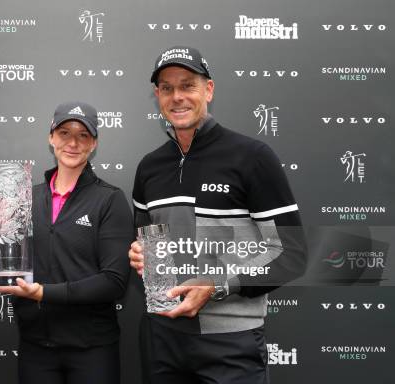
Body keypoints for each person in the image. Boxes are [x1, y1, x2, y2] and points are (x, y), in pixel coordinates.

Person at [128, 46, 307, 383]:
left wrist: (216, 286)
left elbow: (292, 255)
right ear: (157, 96)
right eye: (167, 88)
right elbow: (142, 242)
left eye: (187, 85)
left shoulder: (252, 156)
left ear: (208, 89)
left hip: (230, 343)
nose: (177, 97)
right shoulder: (150, 167)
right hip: (161, 337)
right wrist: (137, 254)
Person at [0, 102, 133, 384]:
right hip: (36, 346)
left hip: (92, 348)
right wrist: (0, 223)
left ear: (94, 143)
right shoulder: (25, 198)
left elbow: (114, 281)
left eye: (83, 135)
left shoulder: (110, 199)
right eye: (64, 133)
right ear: (51, 137)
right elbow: (10, 262)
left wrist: (44, 293)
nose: (72, 143)